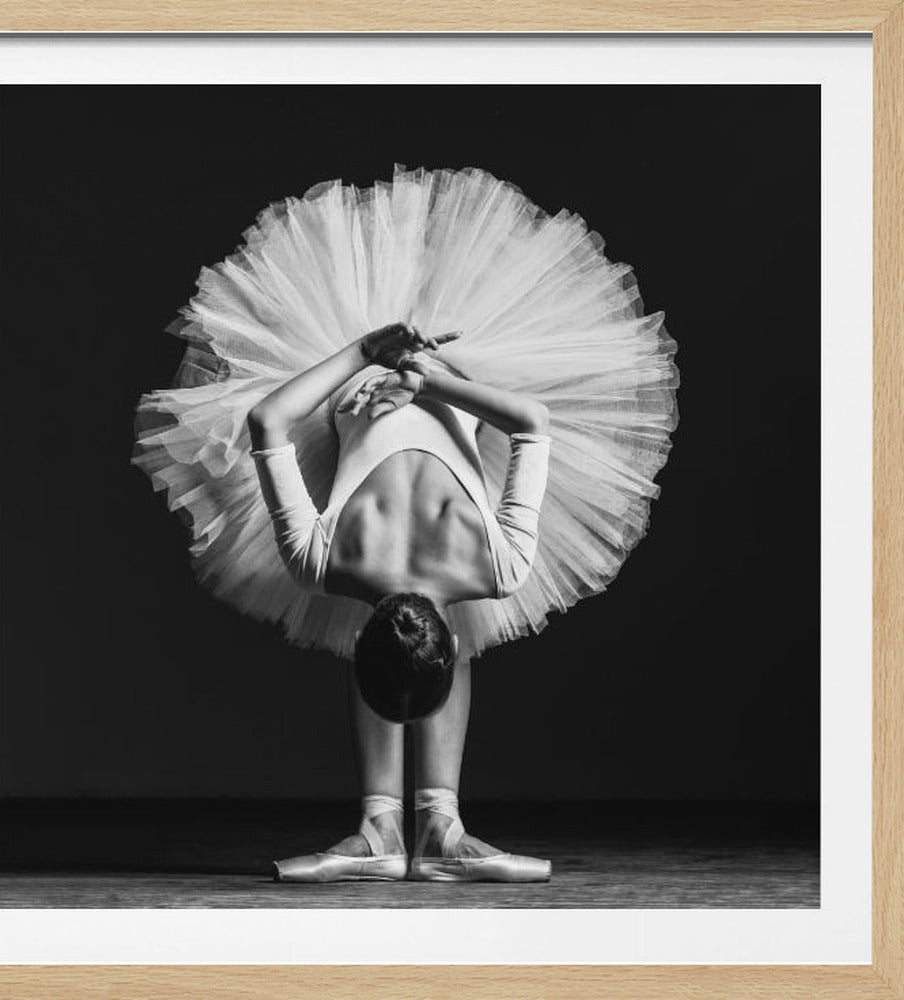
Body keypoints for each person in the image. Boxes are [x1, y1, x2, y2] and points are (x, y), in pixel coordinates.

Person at [134, 166, 678, 883]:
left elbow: (528, 427)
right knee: (417, 662)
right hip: (450, 362)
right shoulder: (324, 563)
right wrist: (421, 374)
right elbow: (269, 422)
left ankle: (386, 828)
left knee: (418, 662)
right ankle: (428, 828)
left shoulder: (489, 568)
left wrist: (374, 355)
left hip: (369, 367)